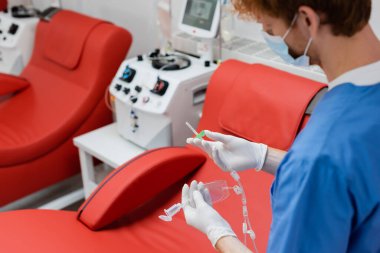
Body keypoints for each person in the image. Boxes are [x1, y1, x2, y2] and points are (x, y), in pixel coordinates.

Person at [182, 0, 380, 252]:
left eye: (270, 28)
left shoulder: (318, 154)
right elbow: (354, 176)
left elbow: (324, 168)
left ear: (308, 20)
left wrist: (217, 232)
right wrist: (263, 156)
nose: (271, 37)